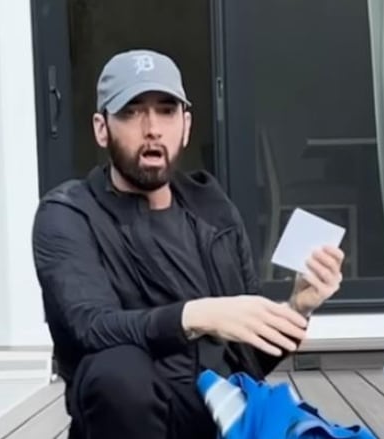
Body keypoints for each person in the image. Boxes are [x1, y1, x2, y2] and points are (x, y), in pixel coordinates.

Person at [32, 49, 345, 439]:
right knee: (117, 371)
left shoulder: (212, 208)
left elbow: (247, 360)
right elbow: (89, 327)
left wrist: (299, 306)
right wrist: (196, 315)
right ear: (101, 127)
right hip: (132, 420)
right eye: (130, 112)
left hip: (222, 419)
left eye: (166, 110)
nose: (152, 128)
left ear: (186, 124)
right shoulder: (69, 213)